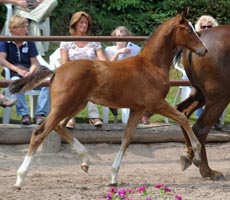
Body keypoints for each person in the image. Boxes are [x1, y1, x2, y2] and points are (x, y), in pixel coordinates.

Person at [0, 15, 50, 125]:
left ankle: (40, 114)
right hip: (15, 73)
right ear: (13, 28)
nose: (26, 30)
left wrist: (30, 73)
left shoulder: (29, 41)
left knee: (48, 82)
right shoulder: (5, 41)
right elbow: (2, 60)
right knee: (14, 81)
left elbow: (34, 63)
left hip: (29, 73)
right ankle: (24, 115)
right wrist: (18, 70)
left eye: (26, 27)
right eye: (22, 27)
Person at [60, 11, 106, 128]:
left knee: (90, 84)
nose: (84, 25)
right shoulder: (66, 42)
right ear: (74, 24)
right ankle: (69, 117)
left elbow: (102, 59)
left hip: (92, 73)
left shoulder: (94, 42)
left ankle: (94, 116)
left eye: (86, 23)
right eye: (81, 23)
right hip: (73, 74)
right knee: (77, 85)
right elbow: (64, 63)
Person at [194, 15, 223, 129]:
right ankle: (200, 116)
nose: (206, 29)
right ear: (199, 27)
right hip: (197, 72)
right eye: (203, 26)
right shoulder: (194, 40)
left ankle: (216, 118)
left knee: (220, 90)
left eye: (209, 26)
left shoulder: (218, 42)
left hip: (214, 73)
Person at [104, 26, 132, 123]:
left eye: (123, 36)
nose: (121, 38)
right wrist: (118, 53)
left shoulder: (132, 49)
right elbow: (109, 66)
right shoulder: (109, 49)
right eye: (118, 36)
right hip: (114, 77)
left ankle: (141, 114)